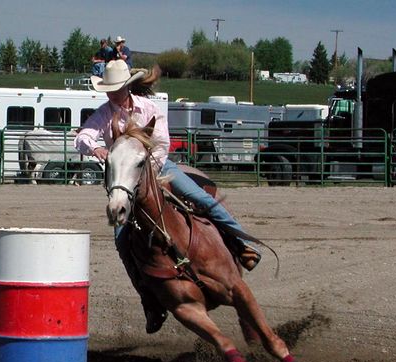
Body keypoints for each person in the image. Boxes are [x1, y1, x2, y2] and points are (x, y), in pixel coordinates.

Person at [75, 60, 261, 334]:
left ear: (127, 87)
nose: (112, 94)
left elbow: (162, 144)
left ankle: (242, 244)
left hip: (158, 169)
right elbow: (82, 137)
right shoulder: (104, 114)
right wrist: (96, 148)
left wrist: (151, 172)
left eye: (116, 89)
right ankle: (150, 301)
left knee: (203, 199)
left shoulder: (148, 109)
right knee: (122, 241)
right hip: (128, 182)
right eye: (109, 90)